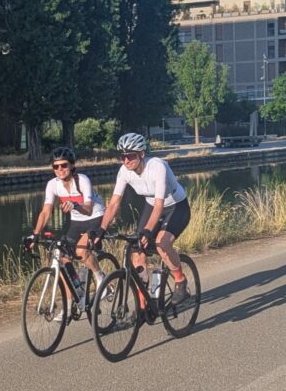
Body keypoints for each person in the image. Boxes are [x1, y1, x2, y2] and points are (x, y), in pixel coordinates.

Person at [90, 133, 191, 304]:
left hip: (175, 205)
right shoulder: (124, 171)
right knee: (136, 252)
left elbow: (160, 205)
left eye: (130, 156)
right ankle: (144, 305)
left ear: (142, 154)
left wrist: (147, 231)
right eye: (122, 157)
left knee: (161, 243)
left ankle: (180, 280)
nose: (126, 161)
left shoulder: (158, 167)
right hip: (152, 205)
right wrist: (102, 229)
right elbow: (114, 203)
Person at [23, 147, 107, 318]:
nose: (60, 170)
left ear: (72, 166)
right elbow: (46, 211)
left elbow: (89, 209)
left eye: (64, 165)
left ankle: (100, 277)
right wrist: (36, 234)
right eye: (56, 167)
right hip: (77, 221)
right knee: (62, 259)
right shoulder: (53, 185)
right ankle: (70, 304)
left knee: (81, 251)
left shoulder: (82, 180)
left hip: (95, 216)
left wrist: (75, 205)